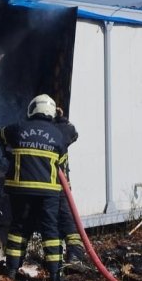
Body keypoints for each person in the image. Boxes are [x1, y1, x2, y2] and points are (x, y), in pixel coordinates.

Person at [0, 94, 68, 281]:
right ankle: (55, 277)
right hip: (48, 191)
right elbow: (62, 162)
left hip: (20, 189)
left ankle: (10, 271)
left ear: (32, 109)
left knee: (19, 228)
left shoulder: (17, 128)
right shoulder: (58, 134)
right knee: (50, 231)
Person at [54, 108, 87, 269]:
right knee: (67, 223)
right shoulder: (62, 132)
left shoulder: (44, 132)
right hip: (61, 188)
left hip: (51, 189)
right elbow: (73, 132)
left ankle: (69, 258)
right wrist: (61, 119)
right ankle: (73, 257)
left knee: (58, 223)